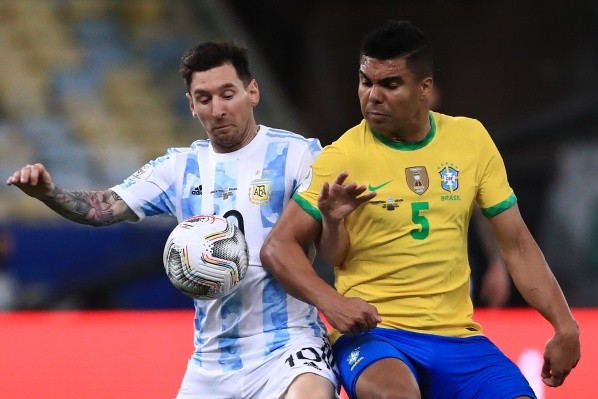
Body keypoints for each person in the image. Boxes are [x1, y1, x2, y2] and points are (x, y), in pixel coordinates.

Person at [260, 20, 580, 399]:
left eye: (390, 84)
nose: (372, 95)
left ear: (424, 88)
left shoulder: (470, 140)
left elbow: (518, 244)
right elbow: (277, 247)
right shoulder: (342, 156)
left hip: (459, 339)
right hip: (378, 338)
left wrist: (565, 326)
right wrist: (334, 303)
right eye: (365, 81)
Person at [7, 41, 339, 398]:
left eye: (228, 94)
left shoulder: (298, 155)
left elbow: (332, 245)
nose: (218, 109)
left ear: (252, 91)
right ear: (191, 105)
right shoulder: (178, 167)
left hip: (289, 343)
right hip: (213, 360)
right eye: (205, 98)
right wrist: (49, 193)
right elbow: (102, 208)